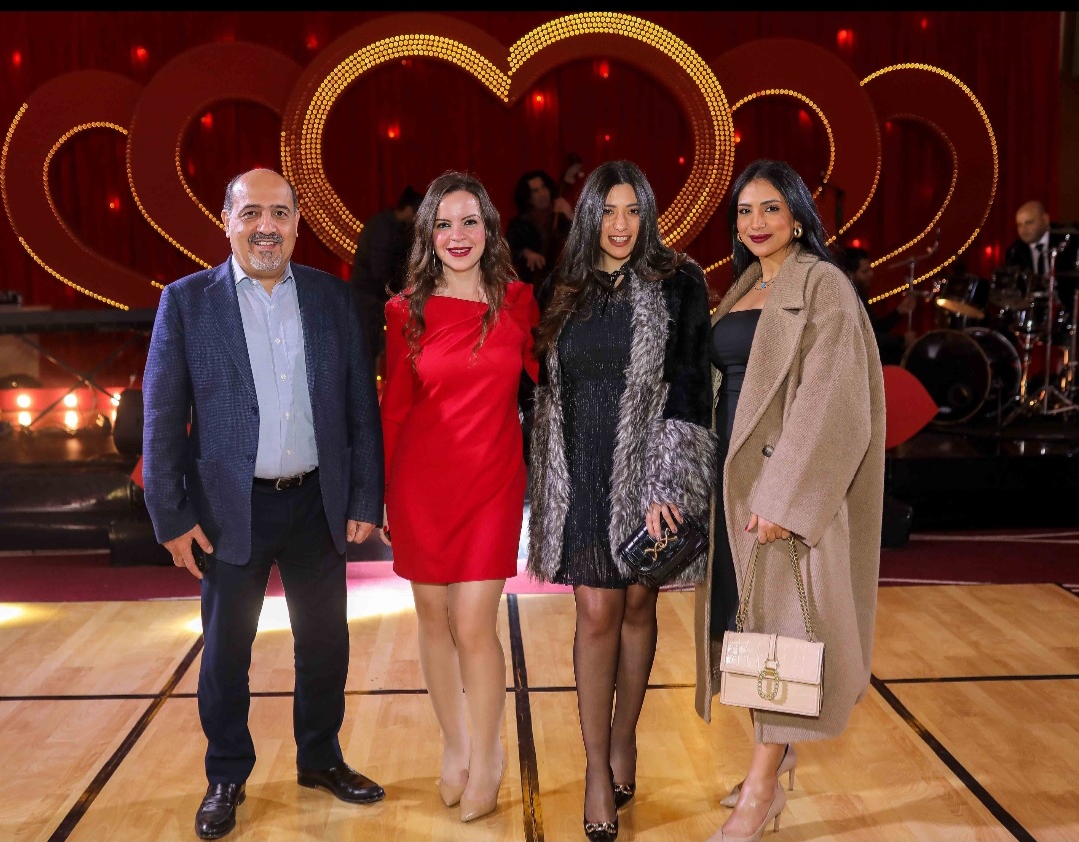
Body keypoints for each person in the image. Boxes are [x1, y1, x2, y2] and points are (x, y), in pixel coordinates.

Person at [141, 168, 386, 840]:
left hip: (316, 503)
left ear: (298, 224)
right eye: (251, 213)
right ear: (227, 221)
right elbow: (161, 417)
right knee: (226, 652)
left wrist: (366, 494)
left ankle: (321, 759)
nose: (266, 227)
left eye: (279, 213)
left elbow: (360, 408)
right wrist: (172, 516)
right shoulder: (186, 303)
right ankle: (226, 774)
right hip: (228, 511)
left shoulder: (332, 298)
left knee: (325, 643)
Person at [695, 159, 885, 842]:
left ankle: (760, 791)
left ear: (799, 216)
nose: (757, 222)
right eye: (745, 211)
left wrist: (784, 497)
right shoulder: (746, 285)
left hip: (779, 493)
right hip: (733, 488)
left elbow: (831, 399)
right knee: (747, 634)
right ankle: (772, 764)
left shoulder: (823, 285)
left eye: (771, 208)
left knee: (779, 634)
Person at [527, 159, 715, 842]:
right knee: (597, 610)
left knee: (638, 604)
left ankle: (625, 736)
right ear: (588, 217)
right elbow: (539, 390)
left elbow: (691, 386)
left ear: (649, 216)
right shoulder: (561, 285)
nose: (620, 224)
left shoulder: (679, 282)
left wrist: (669, 482)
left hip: (648, 470)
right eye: (608, 211)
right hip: (580, 469)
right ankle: (595, 770)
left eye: (633, 211)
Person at [379, 171, 539, 823]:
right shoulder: (404, 311)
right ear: (428, 235)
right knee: (433, 617)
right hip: (421, 481)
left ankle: (490, 753)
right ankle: (455, 744)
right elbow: (396, 407)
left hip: (494, 481)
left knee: (473, 622)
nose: (457, 235)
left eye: (469, 221)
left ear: (489, 229)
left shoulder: (520, 301)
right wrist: (384, 493)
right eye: (443, 224)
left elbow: (552, 382)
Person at [351, 184, 424, 365]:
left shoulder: (391, 226)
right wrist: (398, 293)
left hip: (373, 298)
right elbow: (380, 269)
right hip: (369, 299)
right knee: (368, 350)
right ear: (410, 210)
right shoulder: (382, 228)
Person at [838, 245, 916, 366]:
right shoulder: (844, 299)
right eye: (865, 271)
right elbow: (868, 336)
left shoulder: (859, 294)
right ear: (849, 274)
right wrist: (902, 341)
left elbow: (874, 327)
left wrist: (898, 312)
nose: (871, 274)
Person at [505, 168, 574, 289]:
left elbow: (584, 240)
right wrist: (525, 252)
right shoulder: (518, 224)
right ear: (528, 198)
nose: (542, 194)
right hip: (532, 284)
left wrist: (571, 215)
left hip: (564, 284)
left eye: (543, 187)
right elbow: (507, 250)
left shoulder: (561, 217)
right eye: (535, 191)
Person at [1003, 199, 1079, 308]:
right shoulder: (1015, 251)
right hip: (1033, 310)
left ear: (1045, 220)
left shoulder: (1068, 242)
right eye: (1019, 224)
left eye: (1029, 223)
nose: (1023, 229)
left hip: (1067, 307)